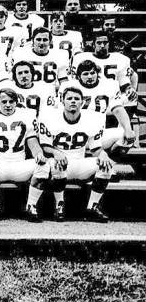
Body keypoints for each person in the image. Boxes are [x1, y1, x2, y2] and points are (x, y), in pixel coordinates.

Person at [37, 86, 114, 223]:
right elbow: (45, 146)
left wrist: (102, 154)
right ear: (62, 101)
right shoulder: (50, 118)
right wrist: (56, 152)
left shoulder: (92, 119)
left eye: (76, 99)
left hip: (79, 162)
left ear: (82, 102)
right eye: (69, 98)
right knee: (57, 163)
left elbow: (95, 147)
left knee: (107, 165)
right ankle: (59, 205)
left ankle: (93, 206)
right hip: (59, 164)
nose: (73, 101)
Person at [0, 88, 50, 222]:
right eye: (4, 102)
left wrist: (39, 154)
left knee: (44, 164)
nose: (8, 105)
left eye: (11, 101)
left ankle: (31, 206)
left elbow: (33, 143)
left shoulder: (27, 116)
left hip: (19, 165)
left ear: (17, 103)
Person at [58, 60, 136, 153]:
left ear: (97, 73)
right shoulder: (68, 86)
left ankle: (109, 161)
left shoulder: (110, 85)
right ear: (78, 76)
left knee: (128, 135)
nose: (90, 76)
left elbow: (118, 109)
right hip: (73, 136)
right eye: (85, 74)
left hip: (99, 135)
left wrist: (128, 129)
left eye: (92, 73)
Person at [71, 31, 138, 112]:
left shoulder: (121, 59)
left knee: (130, 97)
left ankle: (123, 123)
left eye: (105, 43)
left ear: (109, 44)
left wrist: (129, 89)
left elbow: (124, 83)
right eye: (99, 43)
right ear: (93, 44)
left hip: (112, 94)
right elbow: (75, 81)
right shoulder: (80, 58)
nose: (102, 45)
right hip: (88, 93)